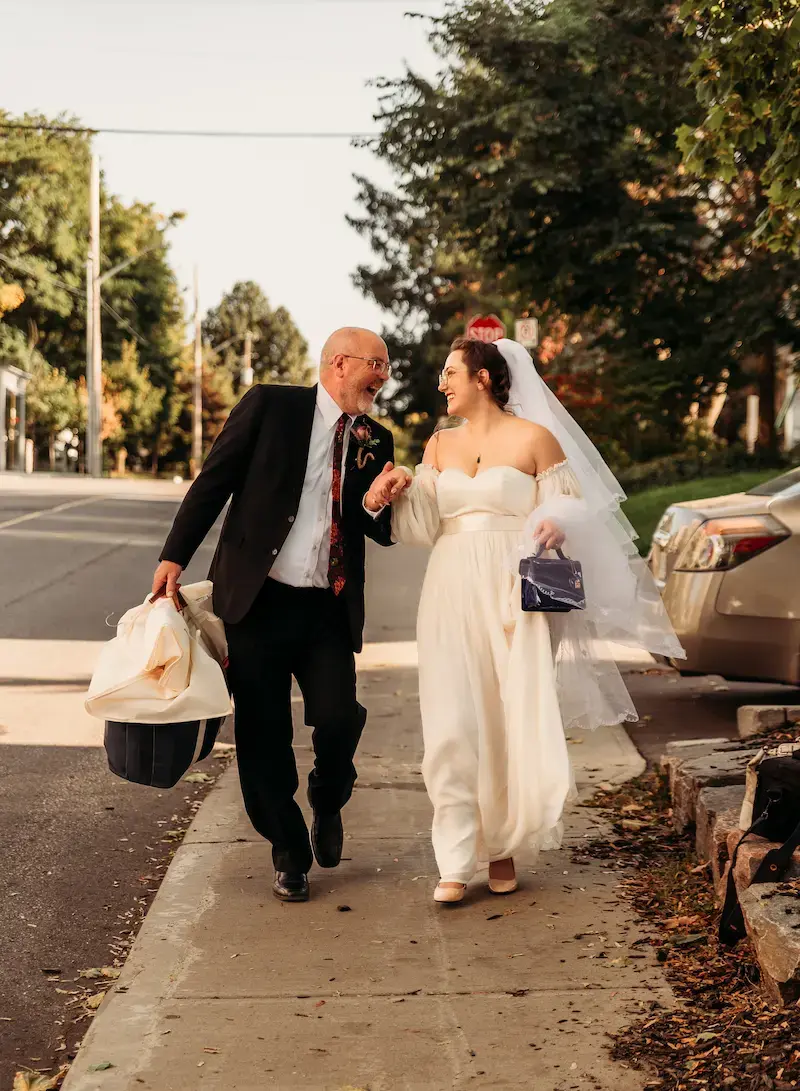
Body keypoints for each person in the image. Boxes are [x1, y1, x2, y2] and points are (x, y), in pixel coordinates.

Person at [367, 337, 683, 903]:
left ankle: (503, 847)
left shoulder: (536, 439)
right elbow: (420, 529)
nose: (441, 384)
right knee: (452, 718)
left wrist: (559, 524)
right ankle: (455, 859)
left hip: (514, 587)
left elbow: (575, 511)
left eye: (450, 373)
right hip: (450, 586)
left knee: (509, 714)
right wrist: (390, 495)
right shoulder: (438, 445)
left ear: (483, 379)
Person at [152, 327, 404, 903]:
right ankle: (288, 849)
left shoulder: (375, 438)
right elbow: (213, 481)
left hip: (327, 607)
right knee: (263, 735)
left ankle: (328, 795)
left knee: (339, 719)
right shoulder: (271, 406)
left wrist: (378, 500)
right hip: (258, 603)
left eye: (387, 368)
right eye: (377, 365)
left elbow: (377, 530)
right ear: (340, 363)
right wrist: (173, 557)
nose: (383, 378)